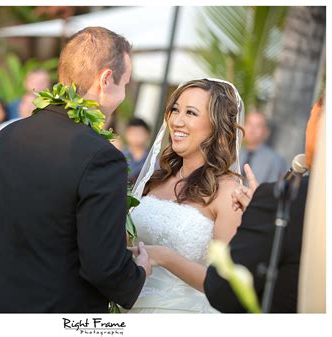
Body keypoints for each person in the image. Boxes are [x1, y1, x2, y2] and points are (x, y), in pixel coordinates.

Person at [0, 26, 150, 313]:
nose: (124, 94)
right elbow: (103, 267)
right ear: (106, 79)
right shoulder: (102, 157)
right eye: (125, 83)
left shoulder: (5, 137)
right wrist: (138, 272)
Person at [127, 78, 245, 313]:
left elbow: (225, 284)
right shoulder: (155, 180)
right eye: (175, 110)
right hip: (131, 306)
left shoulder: (228, 191)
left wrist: (166, 257)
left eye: (191, 113)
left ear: (216, 125)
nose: (177, 121)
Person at [203, 95, 324, 313]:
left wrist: (260, 210)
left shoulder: (279, 184)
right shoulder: (232, 156)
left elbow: (222, 290)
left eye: (312, 119)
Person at [239, 111, 287, 184]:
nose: (252, 129)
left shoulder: (275, 161)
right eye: (249, 124)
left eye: (258, 126)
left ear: (266, 132)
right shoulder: (234, 156)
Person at [122, 117, 151, 185]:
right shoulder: (120, 156)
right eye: (133, 133)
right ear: (126, 134)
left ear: (148, 134)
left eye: (140, 133)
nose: (136, 136)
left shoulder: (152, 161)